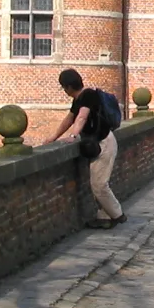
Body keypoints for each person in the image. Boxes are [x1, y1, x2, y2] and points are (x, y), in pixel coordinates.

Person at [46, 68, 125, 228]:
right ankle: (104, 218)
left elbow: (82, 116)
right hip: (98, 143)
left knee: (99, 184)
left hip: (104, 143)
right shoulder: (79, 99)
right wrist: (54, 137)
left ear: (68, 87)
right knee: (97, 182)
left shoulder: (88, 95)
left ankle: (118, 215)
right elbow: (70, 119)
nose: (64, 90)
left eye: (64, 87)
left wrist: (74, 136)